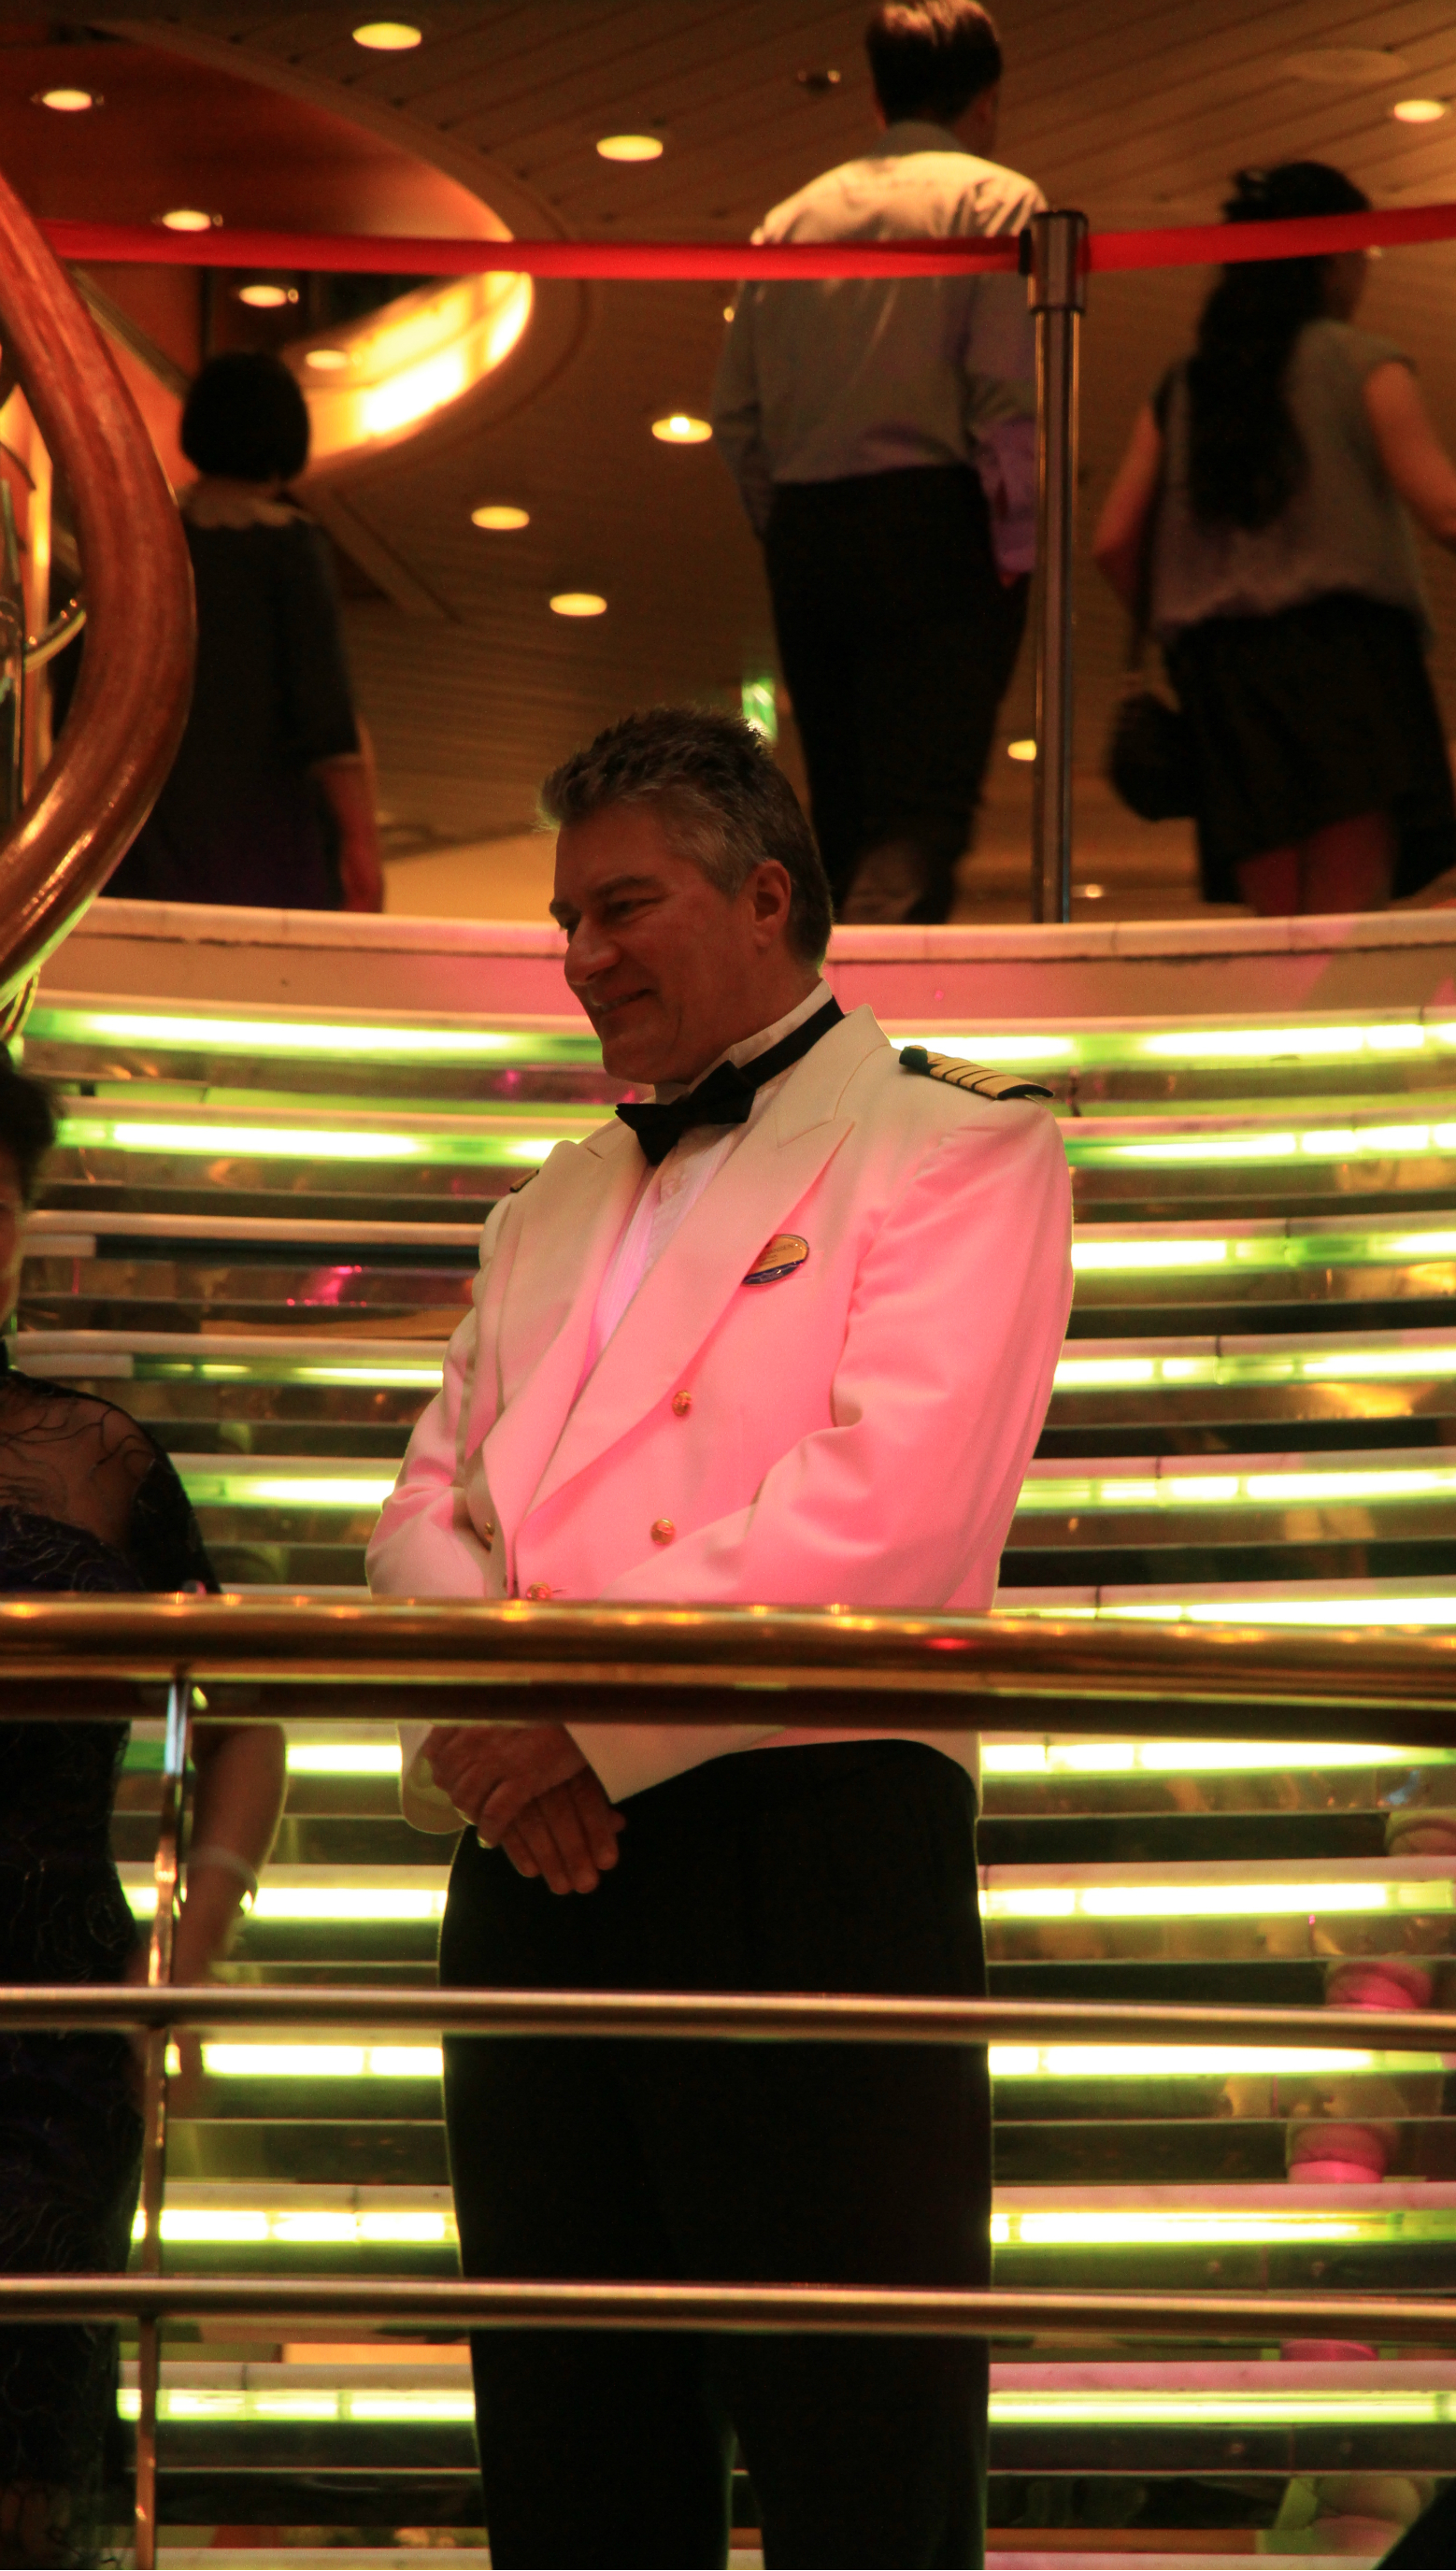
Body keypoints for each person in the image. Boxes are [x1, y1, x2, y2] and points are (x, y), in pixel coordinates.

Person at [367, 705, 1072, 2569]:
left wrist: (572, 1724)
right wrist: (497, 1751)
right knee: (569, 2460)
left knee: (857, 2458)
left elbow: (886, 1517)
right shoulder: (543, 1203)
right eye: (565, 919)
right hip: (535, 1867)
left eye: (623, 907)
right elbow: (422, 1509)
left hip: (804, 1844)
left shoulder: (956, 1144)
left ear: (766, 897)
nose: (582, 956)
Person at [0, 1052, 285, 2569]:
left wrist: (187, 1947)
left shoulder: (96, 1457)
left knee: (26, 2463)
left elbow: (245, 1714)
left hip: (49, 2017)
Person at [1092, 160, 1456, 917]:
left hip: (1225, 679)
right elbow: (1451, 514)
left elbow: (1113, 542)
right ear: (1331, 258)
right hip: (1346, 665)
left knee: (1278, 933)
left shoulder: (1185, 386)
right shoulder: (1361, 362)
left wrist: (1193, 631)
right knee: (1343, 923)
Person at [711, 0, 1042, 927]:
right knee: (921, 810)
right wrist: (1015, 545)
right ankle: (882, 1005)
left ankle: (830, 996)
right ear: (986, 98)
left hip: (809, 527)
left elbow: (735, 413)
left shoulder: (791, 219)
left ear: (875, 97)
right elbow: (1005, 398)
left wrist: (785, 522)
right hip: (935, 519)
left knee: (843, 809)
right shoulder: (998, 201)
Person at [107, 350, 382, 914]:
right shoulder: (287, 548)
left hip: (141, 845)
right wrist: (361, 845)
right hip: (266, 849)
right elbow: (325, 717)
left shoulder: (140, 540)